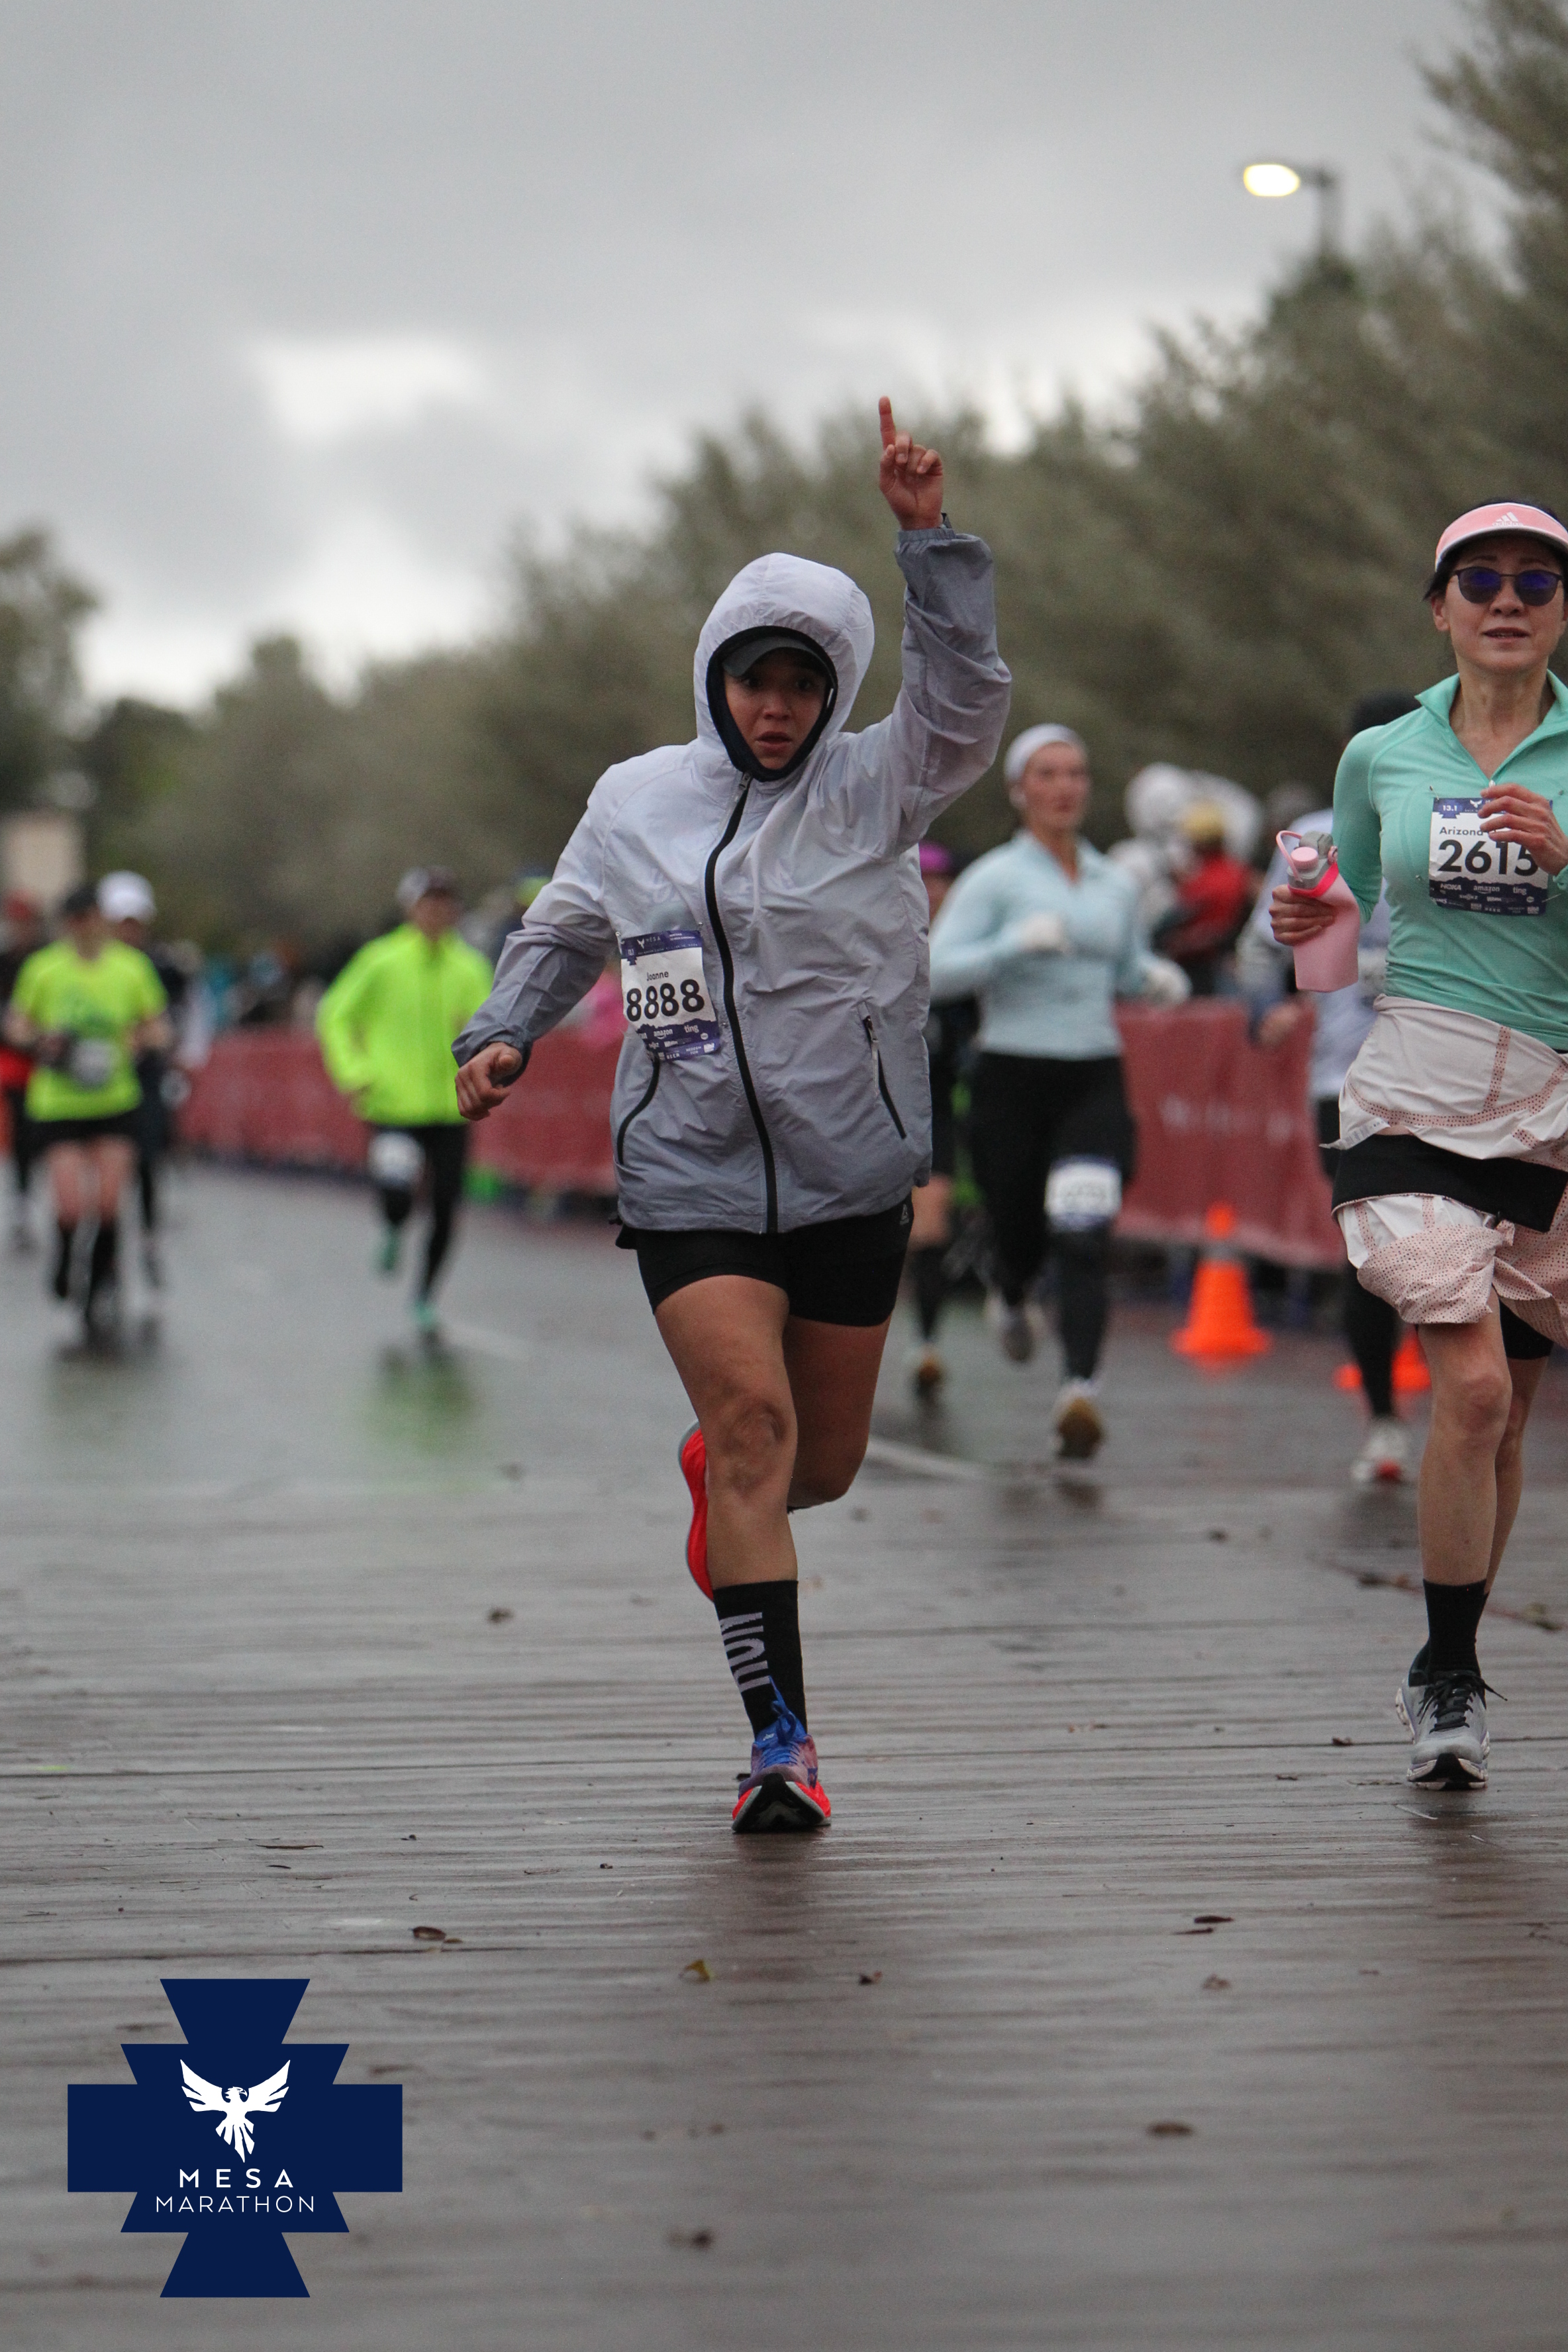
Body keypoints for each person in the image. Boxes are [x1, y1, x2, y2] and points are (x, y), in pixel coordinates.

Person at [453, 399, 1011, 1833]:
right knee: (757, 1424)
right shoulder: (635, 798)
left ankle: (724, 1475)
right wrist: (503, 1028)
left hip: (848, 1175)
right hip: (688, 1170)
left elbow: (962, 700)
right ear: (715, 678)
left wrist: (928, 544)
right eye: (754, 681)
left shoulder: (878, 787)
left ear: (832, 695)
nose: (776, 708)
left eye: (802, 686)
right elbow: (565, 924)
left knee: (811, 1466)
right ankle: (780, 1746)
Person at [1273, 501, 1568, 1790]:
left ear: (1559, 609)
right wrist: (1300, 921)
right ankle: (1449, 1677)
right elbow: (1333, 929)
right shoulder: (1381, 754)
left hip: (1548, 1112)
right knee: (1475, 1392)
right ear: (1438, 606)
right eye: (1478, 579)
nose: (1506, 600)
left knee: (1501, 1424)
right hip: (1409, 1091)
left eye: (1534, 582)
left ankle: (1445, 1654)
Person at [928, 723, 1189, 1461]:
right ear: (1019, 790)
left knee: (1082, 1232)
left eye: (1075, 773)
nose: (1063, 787)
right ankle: (1011, 1291)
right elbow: (933, 973)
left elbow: (1127, 967)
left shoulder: (1115, 882)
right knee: (1019, 1233)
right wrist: (1010, 946)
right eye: (1046, 774)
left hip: (1091, 1076)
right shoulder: (995, 880)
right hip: (1010, 1075)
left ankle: (1079, 1390)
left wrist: (1153, 979)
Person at [1240, 692, 1419, 1485]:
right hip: (1344, 1079)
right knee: (1371, 1255)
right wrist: (1266, 1009)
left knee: (1452, 1250)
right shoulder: (1314, 839)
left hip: (1448, 1077)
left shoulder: (1459, 825)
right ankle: (1382, 1420)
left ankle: (1472, 1411)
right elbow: (1258, 949)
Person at [316, 866, 492, 1338]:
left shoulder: (470, 967)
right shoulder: (380, 960)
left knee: (446, 1206)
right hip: (393, 1104)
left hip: (452, 1105)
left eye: (445, 903)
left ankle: (426, 1297)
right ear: (410, 908)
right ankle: (394, 1225)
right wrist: (354, 1072)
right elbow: (334, 1014)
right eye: (428, 903)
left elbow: (491, 1026)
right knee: (398, 1193)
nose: (436, 912)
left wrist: (484, 1058)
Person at [3, 881, 169, 1332]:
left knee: (110, 1202)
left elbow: (158, 1026)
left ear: (101, 921)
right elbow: (17, 1024)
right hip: (59, 1103)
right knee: (72, 1205)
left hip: (115, 1100)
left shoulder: (130, 968)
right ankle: (64, 1258)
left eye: (90, 921)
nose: (83, 930)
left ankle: (101, 1280)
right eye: (74, 923)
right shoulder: (44, 969)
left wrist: (141, 1040)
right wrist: (43, 1041)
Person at [906, 840, 976, 1396]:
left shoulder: (965, 956)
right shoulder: (874, 940)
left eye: (942, 882)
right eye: (923, 881)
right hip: (863, 1107)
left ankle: (926, 1345)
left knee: (931, 1226)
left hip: (932, 1108)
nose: (933, 893)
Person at [97, 871, 189, 1286]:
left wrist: (164, 1045)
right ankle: (107, 1251)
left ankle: (149, 1237)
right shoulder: (88, 966)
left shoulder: (164, 966)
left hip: (147, 1079)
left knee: (149, 1160)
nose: (128, 931)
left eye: (134, 922)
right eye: (121, 922)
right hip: (97, 1085)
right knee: (108, 1172)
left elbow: (179, 1018)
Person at [1153, 800, 1257, 994]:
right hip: (1232, 962)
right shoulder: (1240, 873)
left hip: (1205, 971)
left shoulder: (1201, 883)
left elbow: (1174, 925)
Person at [0, 892, 46, 1250]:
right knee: (20, 1134)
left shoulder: (48, 960)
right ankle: (23, 1204)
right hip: (14, 1062)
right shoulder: (5, 962)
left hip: (48, 1063)